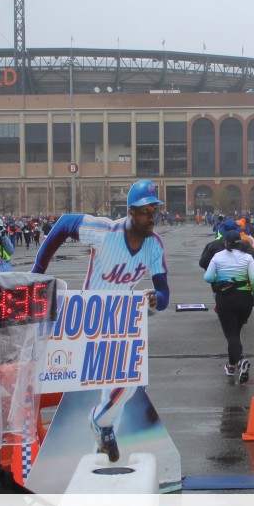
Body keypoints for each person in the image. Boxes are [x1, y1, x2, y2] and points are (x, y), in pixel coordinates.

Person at [32, 179, 169, 463]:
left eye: (154, 210)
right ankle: (100, 425)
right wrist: (38, 270)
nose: (152, 216)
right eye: (145, 211)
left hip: (120, 320)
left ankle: (101, 439)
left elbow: (164, 293)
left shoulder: (154, 245)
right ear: (131, 212)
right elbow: (64, 224)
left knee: (125, 387)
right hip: (91, 318)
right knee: (125, 384)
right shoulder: (105, 231)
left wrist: (157, 298)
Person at [204, 230, 254, 383]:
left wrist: (219, 277)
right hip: (245, 299)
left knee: (231, 335)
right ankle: (230, 366)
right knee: (235, 333)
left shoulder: (218, 256)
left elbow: (207, 277)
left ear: (225, 242)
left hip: (225, 298)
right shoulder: (248, 257)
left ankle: (241, 361)